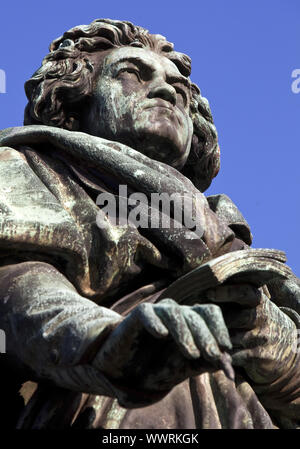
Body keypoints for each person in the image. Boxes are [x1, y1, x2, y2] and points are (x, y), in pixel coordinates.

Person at [0, 18, 300, 429]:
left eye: (178, 90)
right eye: (132, 74)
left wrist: (258, 324)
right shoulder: (29, 169)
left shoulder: (224, 228)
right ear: (73, 103)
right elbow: (20, 292)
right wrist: (110, 343)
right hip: (107, 412)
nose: (163, 91)